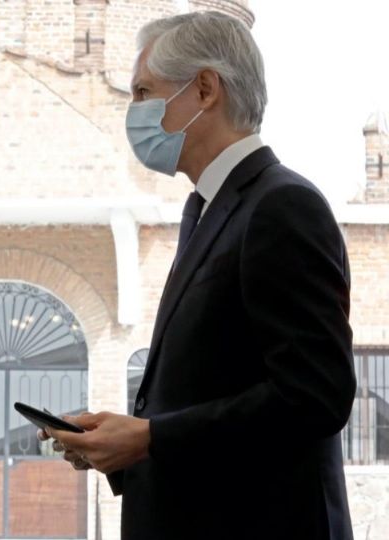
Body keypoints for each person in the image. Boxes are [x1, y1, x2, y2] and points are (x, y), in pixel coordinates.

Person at [40, 12, 355, 540]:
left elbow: (314, 397)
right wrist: (121, 445)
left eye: (144, 91)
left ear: (205, 88)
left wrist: (151, 437)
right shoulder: (208, 209)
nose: (134, 111)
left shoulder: (281, 206)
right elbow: (212, 391)